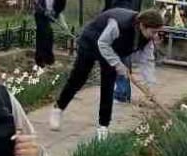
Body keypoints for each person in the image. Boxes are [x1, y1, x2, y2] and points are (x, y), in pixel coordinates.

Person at [49, 8, 163, 139]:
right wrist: (119, 65)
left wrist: (148, 86)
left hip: (112, 49)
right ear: (142, 25)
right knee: (78, 79)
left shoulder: (148, 38)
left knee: (108, 85)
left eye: (157, 32)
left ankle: (103, 126)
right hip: (92, 42)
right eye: (153, 32)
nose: (155, 36)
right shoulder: (118, 24)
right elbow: (102, 43)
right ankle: (58, 109)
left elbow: (146, 61)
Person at [33, 0, 81, 67]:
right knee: (44, 36)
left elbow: (59, 12)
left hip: (43, 14)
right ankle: (42, 61)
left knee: (48, 35)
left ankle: (48, 60)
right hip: (41, 13)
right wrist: (49, 10)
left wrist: (64, 26)